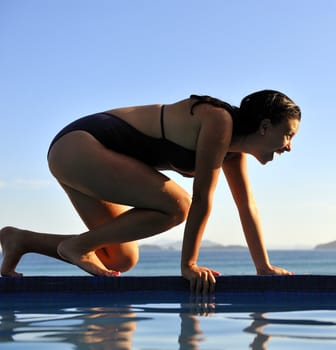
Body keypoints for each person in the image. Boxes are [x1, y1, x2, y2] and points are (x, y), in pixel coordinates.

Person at [0, 90, 301, 293]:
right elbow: (201, 199)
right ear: (264, 126)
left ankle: (21, 240)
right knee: (178, 205)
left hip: (82, 157)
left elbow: (247, 206)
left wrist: (263, 267)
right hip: (80, 146)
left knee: (119, 258)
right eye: (287, 134)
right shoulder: (218, 121)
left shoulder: (233, 153)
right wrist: (189, 265)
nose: (288, 146)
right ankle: (77, 247)